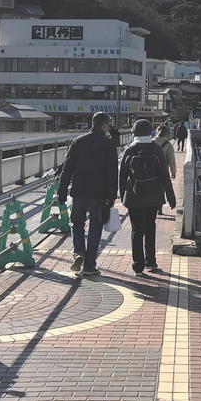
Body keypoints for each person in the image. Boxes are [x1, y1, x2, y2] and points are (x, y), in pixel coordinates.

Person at [58, 111, 118, 277]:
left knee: (77, 223)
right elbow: (113, 172)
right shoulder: (109, 144)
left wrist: (62, 191)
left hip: (79, 192)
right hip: (99, 193)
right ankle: (90, 265)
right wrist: (112, 195)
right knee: (95, 227)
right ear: (104, 125)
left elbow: (67, 169)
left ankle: (78, 253)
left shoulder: (78, 141)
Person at [119, 118, 176, 277]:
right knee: (150, 226)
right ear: (150, 132)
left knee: (137, 230)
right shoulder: (156, 149)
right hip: (153, 196)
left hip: (134, 197)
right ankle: (151, 260)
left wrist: (123, 195)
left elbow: (122, 176)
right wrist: (170, 196)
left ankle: (138, 266)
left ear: (134, 133)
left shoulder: (129, 150)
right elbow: (164, 175)